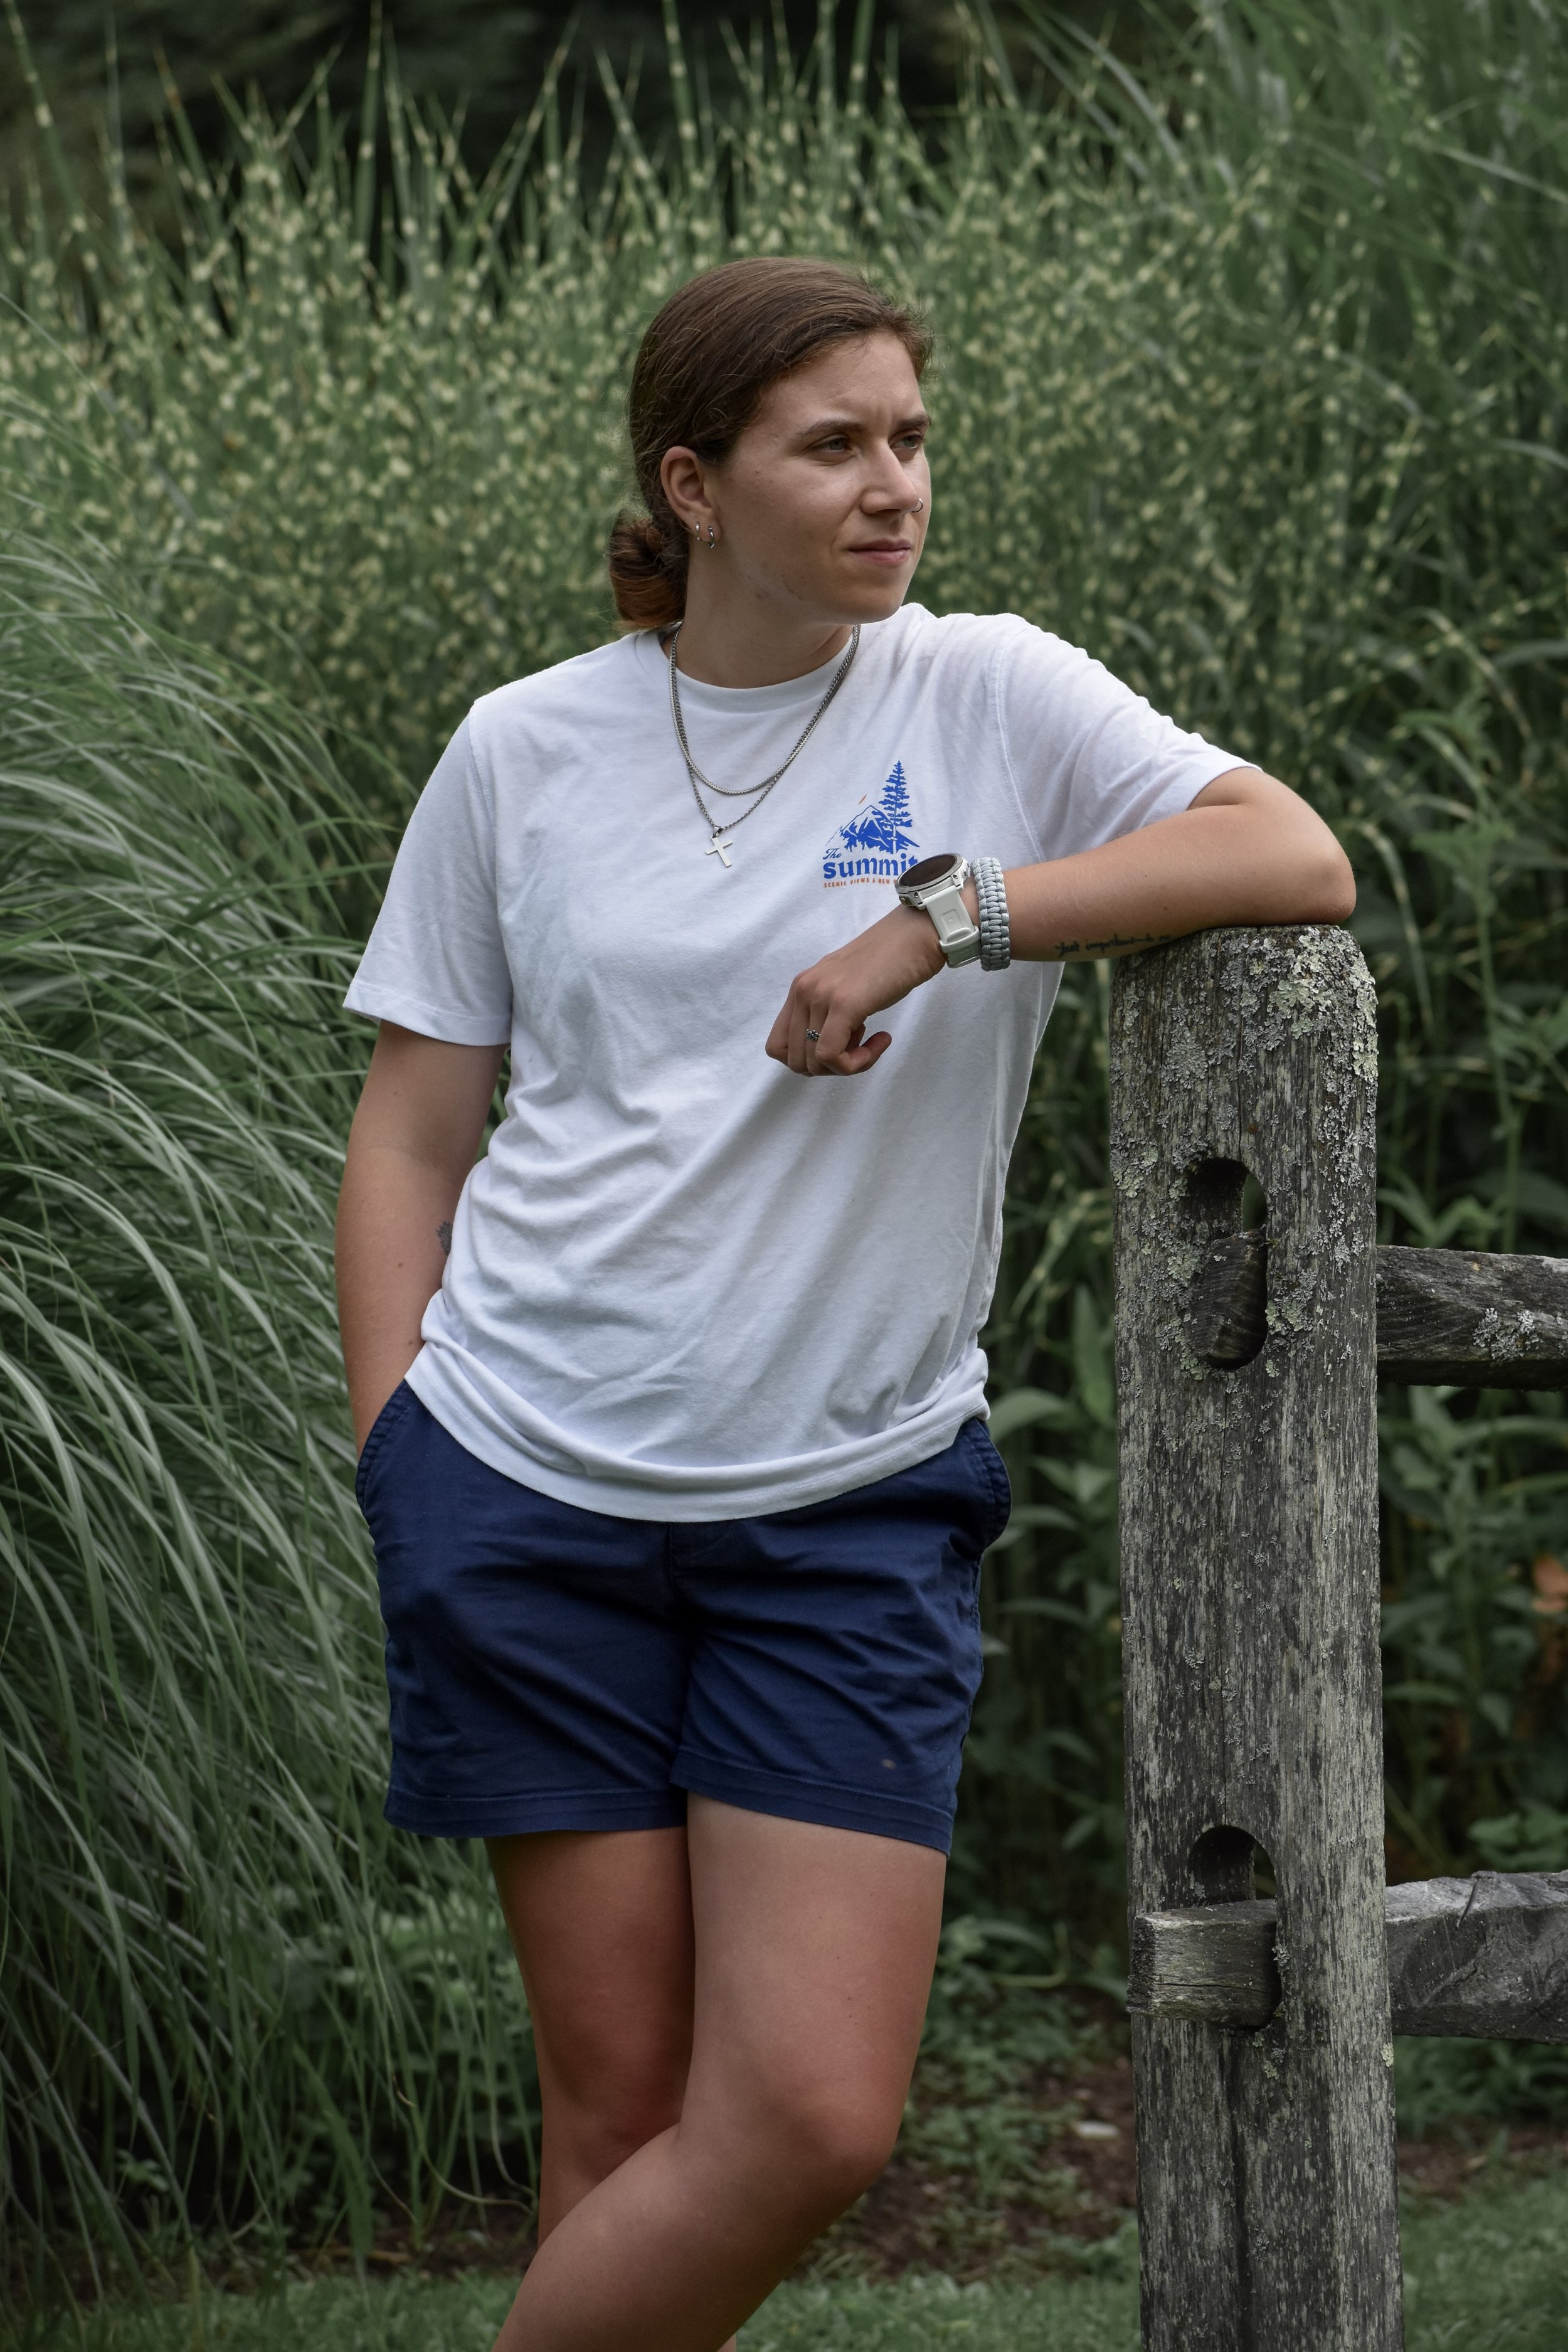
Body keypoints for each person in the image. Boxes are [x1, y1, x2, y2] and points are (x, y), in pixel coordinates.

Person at [335, 255, 1353, 2349]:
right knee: (617, 2118)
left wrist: (948, 919)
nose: (892, 486)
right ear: (692, 486)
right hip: (524, 1483)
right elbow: (416, 1127)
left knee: (803, 2116)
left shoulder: (983, 694)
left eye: (908, 438)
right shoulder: (522, 750)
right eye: (834, 447)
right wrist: (396, 1457)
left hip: (846, 1504)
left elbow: (1288, 850)